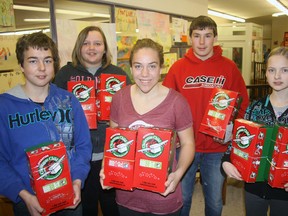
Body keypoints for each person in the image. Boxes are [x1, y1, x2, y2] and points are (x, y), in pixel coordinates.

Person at [162, 15, 250, 216]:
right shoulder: (178, 68)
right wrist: (172, 135)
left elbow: (242, 105)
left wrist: (231, 131)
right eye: (197, 36)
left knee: (214, 201)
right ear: (190, 38)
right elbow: (165, 106)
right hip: (184, 147)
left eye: (207, 36)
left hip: (216, 149)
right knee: (181, 200)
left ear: (215, 38)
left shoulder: (229, 67)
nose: (202, 42)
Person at [100, 38, 195, 215]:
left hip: (163, 195)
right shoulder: (119, 98)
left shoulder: (176, 102)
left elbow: (188, 143)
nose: (145, 74)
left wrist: (179, 173)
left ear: (161, 67)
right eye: (138, 66)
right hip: (127, 196)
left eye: (152, 66)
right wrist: (107, 168)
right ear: (130, 68)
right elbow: (113, 140)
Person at [0, 32, 92, 216]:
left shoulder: (68, 100)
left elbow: (83, 146)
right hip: (29, 202)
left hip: (70, 198)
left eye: (48, 61)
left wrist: (77, 181)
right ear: (21, 65)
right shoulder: (5, 107)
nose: (42, 68)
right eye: (33, 61)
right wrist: (24, 195)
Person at [54, 25, 131, 216]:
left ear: (105, 48)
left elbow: (131, 109)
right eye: (86, 43)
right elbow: (55, 112)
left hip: (111, 154)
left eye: (97, 43)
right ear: (79, 47)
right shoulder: (66, 74)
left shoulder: (119, 74)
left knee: (112, 207)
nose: (92, 48)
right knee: (86, 207)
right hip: (80, 156)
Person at [222, 46, 288, 216]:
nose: (277, 76)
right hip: (254, 187)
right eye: (272, 70)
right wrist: (226, 161)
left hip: (284, 191)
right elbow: (237, 142)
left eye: (284, 70)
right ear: (266, 74)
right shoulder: (255, 108)